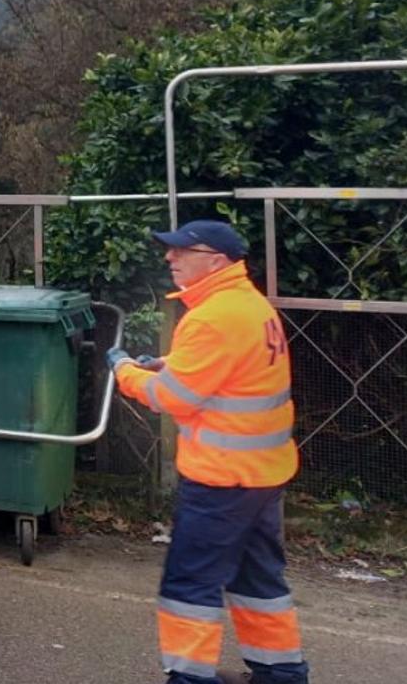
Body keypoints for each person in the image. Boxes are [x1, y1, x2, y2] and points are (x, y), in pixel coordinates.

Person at [109, 219, 307, 684]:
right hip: (262, 475)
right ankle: (282, 674)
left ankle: (189, 677)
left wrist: (123, 371)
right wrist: (168, 364)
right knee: (258, 583)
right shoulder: (248, 306)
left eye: (181, 251)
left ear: (215, 260)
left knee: (189, 586)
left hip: (221, 480)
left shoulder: (211, 317)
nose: (169, 258)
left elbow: (173, 399)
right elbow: (231, 368)